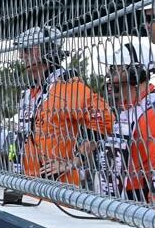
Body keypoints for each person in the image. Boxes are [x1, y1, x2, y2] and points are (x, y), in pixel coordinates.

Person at [15, 26, 113, 186]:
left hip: (59, 189)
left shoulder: (68, 86)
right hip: (30, 184)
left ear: (44, 50)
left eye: (26, 50)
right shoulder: (34, 90)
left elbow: (105, 118)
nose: (21, 56)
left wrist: (73, 161)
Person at [95, 38, 155, 201]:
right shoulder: (127, 110)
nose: (109, 76)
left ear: (136, 74)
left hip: (138, 206)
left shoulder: (150, 113)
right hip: (117, 202)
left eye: (115, 70)